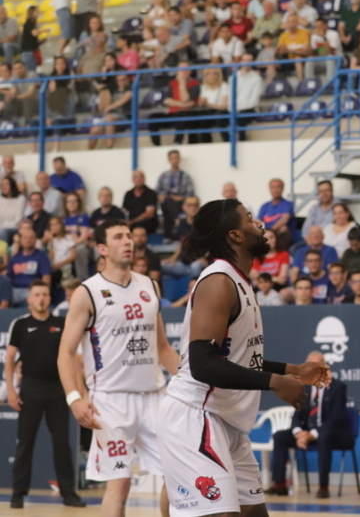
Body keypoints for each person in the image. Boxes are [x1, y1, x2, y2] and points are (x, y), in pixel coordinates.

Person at [158, 198, 330, 517]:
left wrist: (293, 369)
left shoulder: (240, 280)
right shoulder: (218, 281)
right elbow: (203, 363)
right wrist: (275, 382)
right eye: (251, 219)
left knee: (255, 514)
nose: (260, 224)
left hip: (227, 421)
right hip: (196, 415)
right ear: (235, 235)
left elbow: (237, 358)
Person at [57, 218, 181, 517]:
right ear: (102, 248)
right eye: (118, 237)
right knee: (120, 485)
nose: (127, 241)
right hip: (110, 400)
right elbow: (65, 352)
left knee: (178, 477)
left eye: (129, 236)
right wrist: (75, 399)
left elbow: (162, 348)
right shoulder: (88, 292)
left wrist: (192, 379)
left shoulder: (149, 284)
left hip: (154, 396)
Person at [5, 280, 88, 508]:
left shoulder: (62, 323)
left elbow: (74, 357)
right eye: (37, 295)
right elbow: (10, 359)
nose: (41, 298)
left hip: (58, 389)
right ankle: (18, 494)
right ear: (29, 299)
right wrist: (11, 389)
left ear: (49, 298)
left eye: (44, 294)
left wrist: (79, 391)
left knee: (62, 444)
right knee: (25, 444)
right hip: (30, 388)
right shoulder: (20, 324)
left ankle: (69, 493)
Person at [266, 351, 351, 498]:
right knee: (280, 436)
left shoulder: (338, 387)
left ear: (324, 367)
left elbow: (336, 419)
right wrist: (299, 433)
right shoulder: (305, 387)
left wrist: (312, 435)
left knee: (324, 437)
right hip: (306, 432)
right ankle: (279, 485)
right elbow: (297, 414)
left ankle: (323, 487)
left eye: (315, 366)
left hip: (331, 433)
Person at [156, 150, 196, 241]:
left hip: (180, 203)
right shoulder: (163, 176)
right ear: (169, 160)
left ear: (179, 159)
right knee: (168, 202)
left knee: (170, 204)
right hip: (166, 202)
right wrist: (160, 197)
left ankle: (168, 235)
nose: (175, 160)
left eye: (177, 158)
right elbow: (157, 191)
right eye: (173, 158)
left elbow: (190, 194)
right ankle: (176, 221)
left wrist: (180, 198)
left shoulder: (185, 176)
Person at [9, 225, 52, 306]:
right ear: (20, 240)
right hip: (14, 290)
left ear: (35, 240)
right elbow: (9, 277)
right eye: (25, 238)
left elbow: (46, 277)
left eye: (31, 238)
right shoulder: (15, 257)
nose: (28, 240)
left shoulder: (41, 256)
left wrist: (43, 293)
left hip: (32, 290)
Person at [123, 170, 159, 236]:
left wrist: (132, 222)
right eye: (136, 177)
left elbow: (150, 213)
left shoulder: (151, 193)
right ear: (132, 180)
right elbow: (124, 211)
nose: (138, 179)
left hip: (147, 225)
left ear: (144, 179)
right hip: (131, 225)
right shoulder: (128, 194)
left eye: (141, 177)